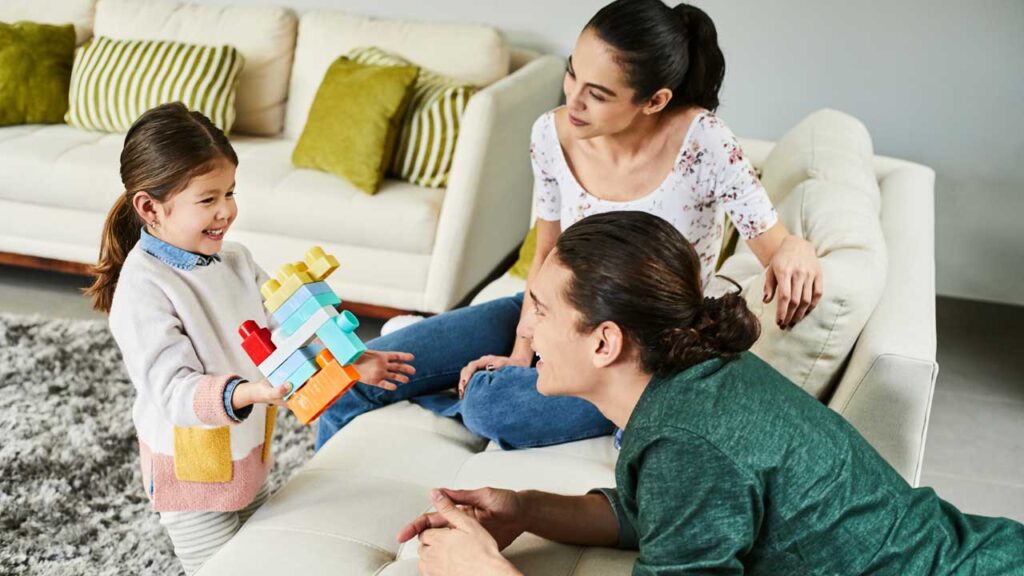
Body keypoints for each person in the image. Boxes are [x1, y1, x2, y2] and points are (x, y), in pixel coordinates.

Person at [315, 0, 823, 452]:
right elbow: (547, 252)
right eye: (571, 74)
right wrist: (521, 351)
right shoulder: (550, 133)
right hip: (553, 307)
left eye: (598, 94)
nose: (573, 101)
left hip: (635, 354)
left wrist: (794, 247)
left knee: (489, 406)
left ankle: (465, 389)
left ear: (655, 101)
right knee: (352, 372)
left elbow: (774, 246)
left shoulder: (705, 141)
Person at [397, 211, 1024, 576]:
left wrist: (485, 571)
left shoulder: (688, 439)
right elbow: (668, 513)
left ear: (605, 343)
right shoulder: (692, 384)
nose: (527, 331)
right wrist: (526, 508)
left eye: (540, 310)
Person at [85, 103, 414, 574]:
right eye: (208, 199)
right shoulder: (143, 289)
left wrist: (347, 361)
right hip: (193, 481)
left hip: (248, 458)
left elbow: (285, 329)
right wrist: (253, 392)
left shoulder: (235, 260)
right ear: (149, 208)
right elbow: (174, 391)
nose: (226, 211)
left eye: (230, 192)